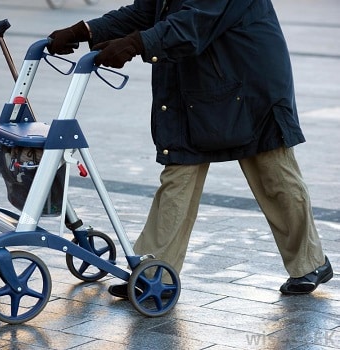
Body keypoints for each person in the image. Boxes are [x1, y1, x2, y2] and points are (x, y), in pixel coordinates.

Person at [47, 0, 333, 298]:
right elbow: (146, 11)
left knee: (274, 177)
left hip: (251, 87)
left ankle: (310, 263)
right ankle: (155, 273)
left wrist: (133, 44)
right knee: (179, 174)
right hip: (197, 86)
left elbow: (192, 23)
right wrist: (84, 30)